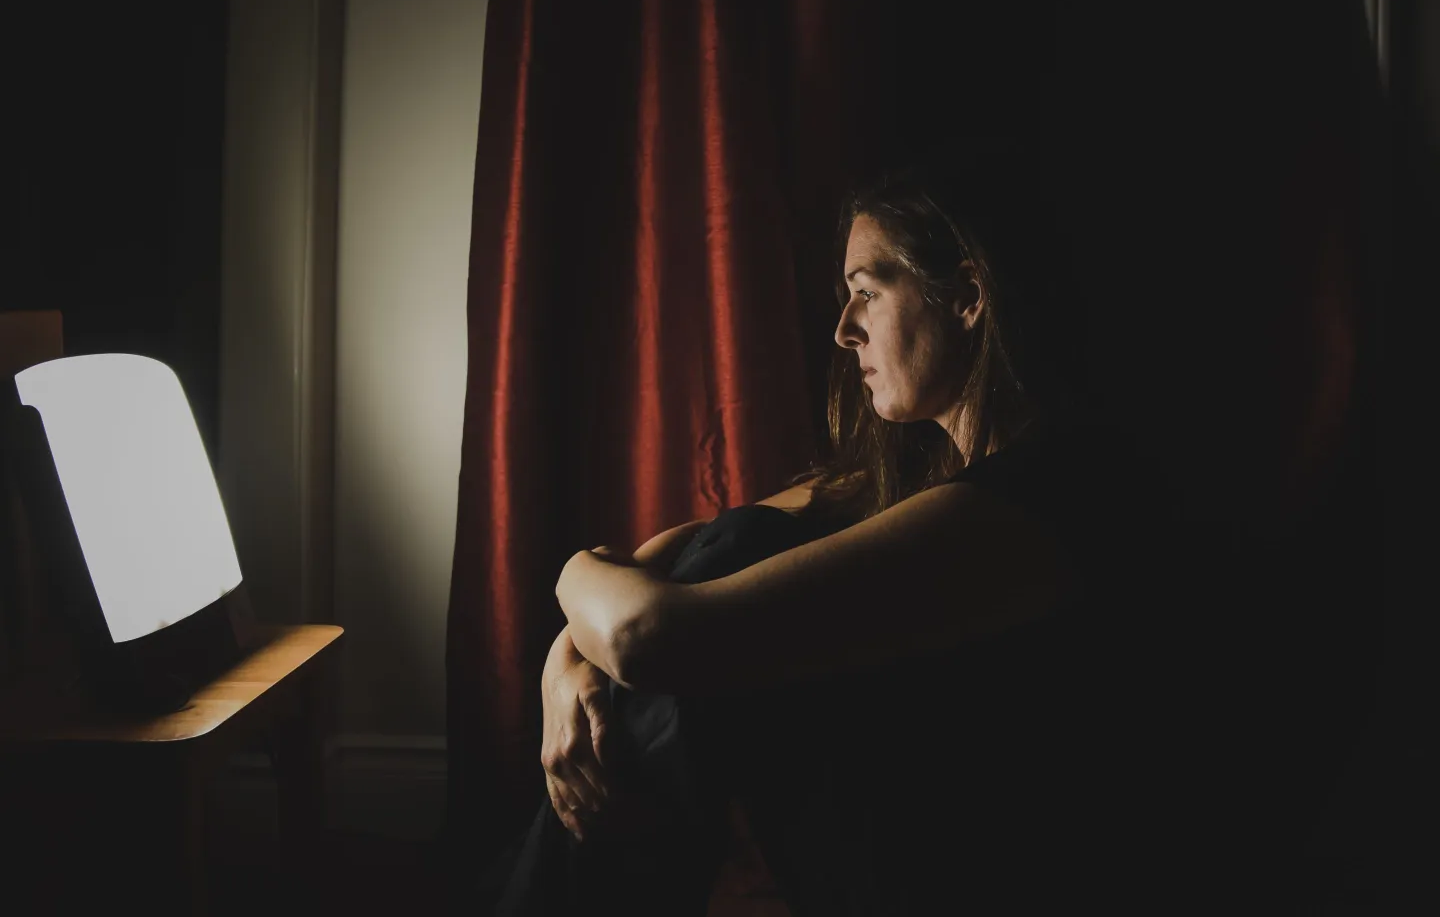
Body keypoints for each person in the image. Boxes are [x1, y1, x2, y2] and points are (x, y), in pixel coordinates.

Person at [480, 145, 1339, 913]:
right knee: (724, 556)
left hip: (977, 866)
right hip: (881, 837)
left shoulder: (1042, 498)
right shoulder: (915, 479)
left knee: (693, 645)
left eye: (866, 292)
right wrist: (569, 666)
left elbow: (646, 629)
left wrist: (573, 589)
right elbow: (666, 555)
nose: (843, 331)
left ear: (967, 296)